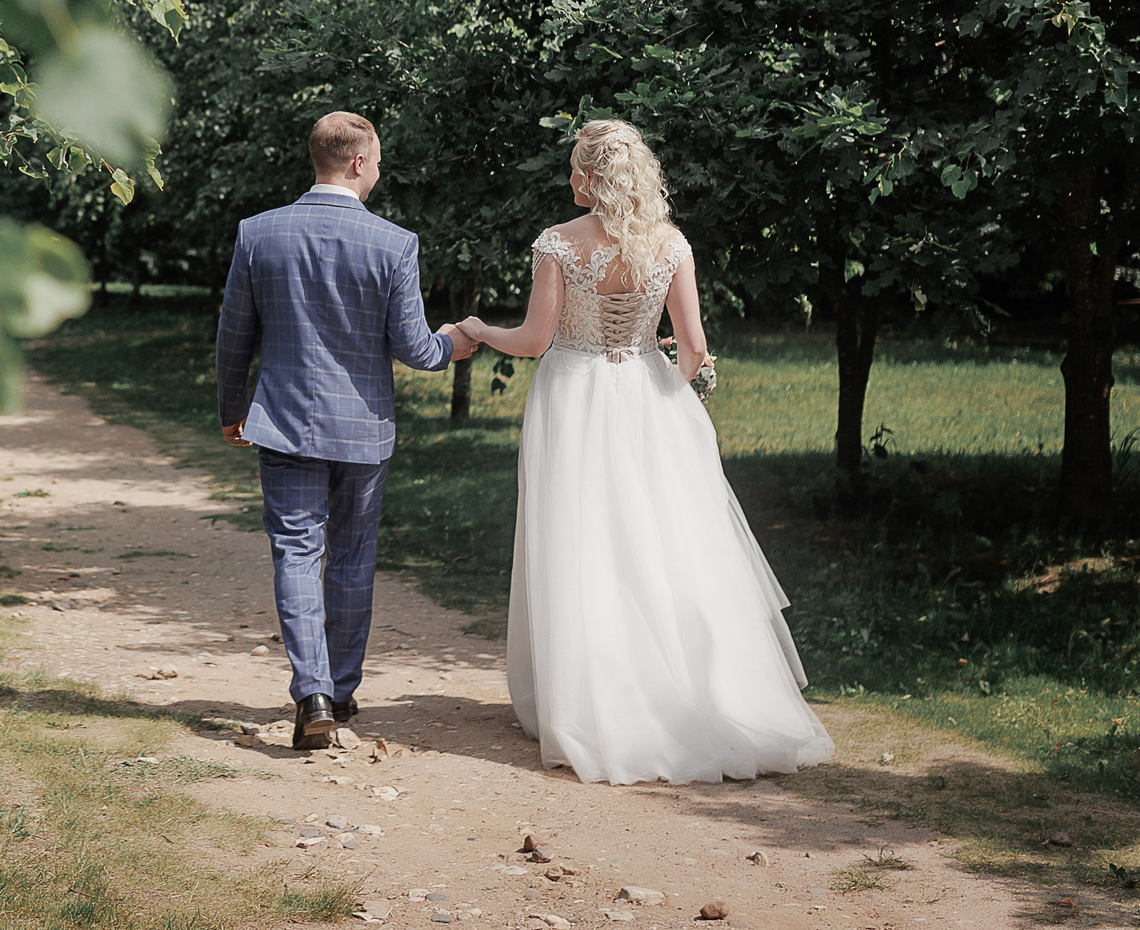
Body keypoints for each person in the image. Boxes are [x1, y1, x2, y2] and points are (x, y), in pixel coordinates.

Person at [457, 120, 833, 784]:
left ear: (593, 177)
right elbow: (693, 348)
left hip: (575, 399)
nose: (570, 178)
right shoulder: (671, 243)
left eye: (576, 168)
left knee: (584, 539)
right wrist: (670, 387)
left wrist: (481, 329)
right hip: (648, 397)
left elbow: (536, 340)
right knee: (664, 541)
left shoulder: (558, 243)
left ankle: (592, 698)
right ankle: (693, 689)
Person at [216, 110, 478, 750]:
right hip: (363, 430)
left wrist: (232, 407)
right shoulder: (394, 243)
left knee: (295, 553)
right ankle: (340, 691)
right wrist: (453, 344)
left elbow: (234, 335)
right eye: (378, 161)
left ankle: (312, 693)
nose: (379, 171)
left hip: (283, 422)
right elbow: (414, 348)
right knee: (353, 557)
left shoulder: (259, 232)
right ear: (359, 162)